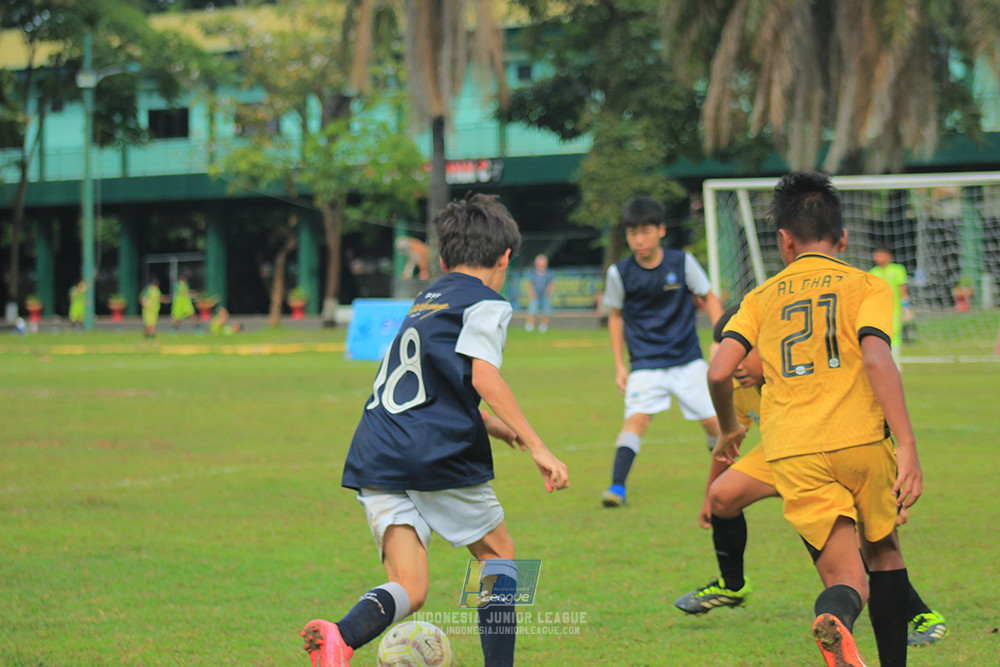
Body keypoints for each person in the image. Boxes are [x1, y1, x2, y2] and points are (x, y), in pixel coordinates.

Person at [301, 194, 570, 667]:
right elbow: (483, 376)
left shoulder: (425, 301)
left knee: (411, 585)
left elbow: (424, 387)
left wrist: (490, 425)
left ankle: (341, 637)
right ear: (506, 256)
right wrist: (537, 445)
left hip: (376, 448)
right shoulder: (487, 302)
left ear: (443, 261)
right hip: (432, 453)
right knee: (499, 556)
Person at [708, 172, 922, 667]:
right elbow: (876, 360)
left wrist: (727, 429)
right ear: (842, 238)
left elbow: (720, 370)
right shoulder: (867, 285)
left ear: (784, 241)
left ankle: (838, 621)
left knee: (845, 577)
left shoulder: (759, 298)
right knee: (885, 553)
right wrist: (907, 445)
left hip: (792, 450)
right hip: (860, 439)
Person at [676, 307, 947, 648]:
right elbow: (728, 442)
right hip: (779, 454)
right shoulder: (740, 385)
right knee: (723, 496)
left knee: (859, 546)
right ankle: (733, 587)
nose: (735, 364)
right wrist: (707, 496)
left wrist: (889, 486)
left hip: (823, 454)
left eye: (743, 353)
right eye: (727, 354)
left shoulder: (807, 375)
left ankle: (920, 614)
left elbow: (874, 427)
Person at [600, 195, 725, 507]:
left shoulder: (682, 263)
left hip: (687, 360)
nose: (638, 240)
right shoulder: (620, 273)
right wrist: (619, 365)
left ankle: (725, 482)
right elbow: (615, 315)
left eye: (645, 231)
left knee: (713, 422)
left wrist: (721, 338)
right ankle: (617, 489)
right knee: (637, 420)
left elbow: (709, 297)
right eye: (632, 233)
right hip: (645, 364)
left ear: (661, 230)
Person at [869, 246, 910, 366]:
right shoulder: (873, 272)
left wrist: (906, 307)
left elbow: (902, 289)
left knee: (895, 335)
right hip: (878, 311)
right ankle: (883, 361)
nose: (878, 257)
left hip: (895, 310)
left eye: (881, 254)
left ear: (888, 256)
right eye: (876, 254)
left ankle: (895, 362)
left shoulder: (897, 270)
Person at [525, 253, 555, 332]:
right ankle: (530, 325)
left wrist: (549, 292)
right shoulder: (532, 273)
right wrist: (531, 293)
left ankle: (543, 325)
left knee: (546, 311)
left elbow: (551, 284)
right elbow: (529, 284)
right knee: (532, 310)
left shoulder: (549, 273)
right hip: (535, 295)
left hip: (545, 295)